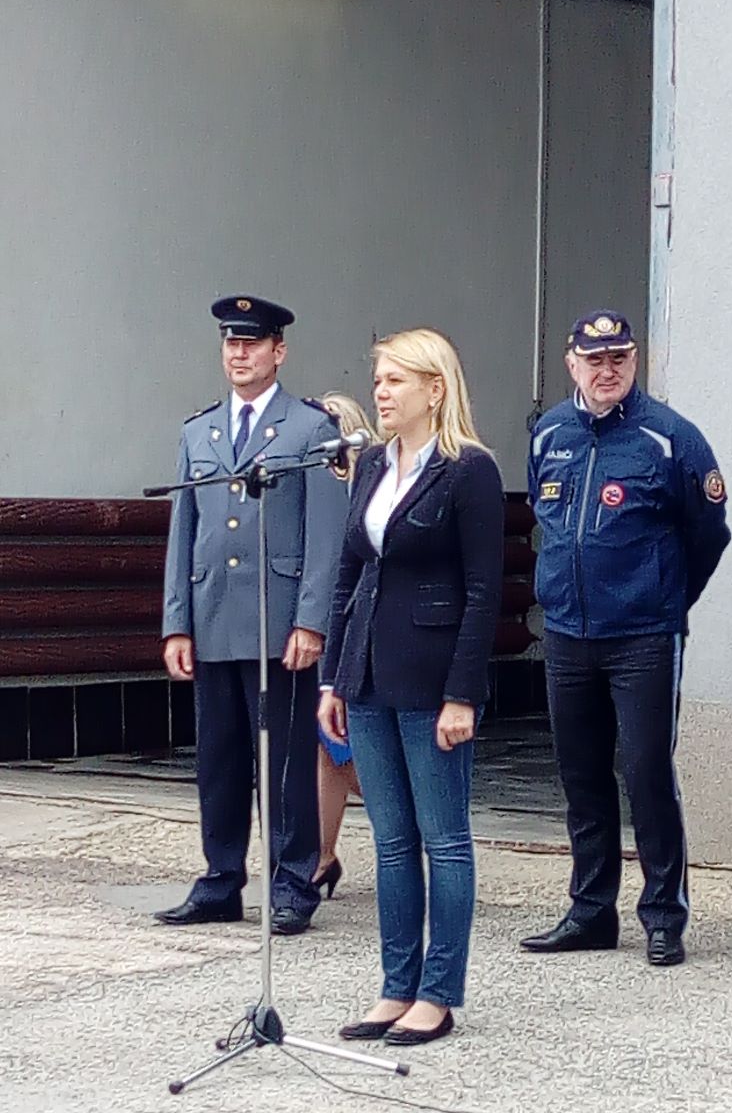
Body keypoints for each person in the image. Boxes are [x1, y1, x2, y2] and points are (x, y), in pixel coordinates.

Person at [520, 311, 731, 966]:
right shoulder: (550, 432)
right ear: (572, 363)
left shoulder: (670, 437)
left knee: (646, 775)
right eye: (595, 360)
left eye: (619, 359)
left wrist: (663, 597)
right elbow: (545, 520)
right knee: (581, 777)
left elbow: (709, 533)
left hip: (643, 636)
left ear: (635, 361)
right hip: (567, 634)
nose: (607, 371)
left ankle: (664, 916)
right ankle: (590, 912)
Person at [317, 328, 504, 1046]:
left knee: (443, 839)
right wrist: (334, 676)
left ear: (435, 388)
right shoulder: (372, 463)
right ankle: (396, 985)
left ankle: (438, 992)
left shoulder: (469, 470)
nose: (382, 393)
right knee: (392, 840)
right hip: (366, 673)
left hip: (432, 679)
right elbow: (349, 573)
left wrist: (463, 694)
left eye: (396, 380)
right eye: (379, 380)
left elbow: (483, 592)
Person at [154, 295, 347, 935]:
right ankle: (221, 878)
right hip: (213, 615)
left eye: (252, 343)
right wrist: (176, 623)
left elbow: (325, 535)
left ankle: (293, 882)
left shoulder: (309, 428)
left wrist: (311, 620)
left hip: (278, 619)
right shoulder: (199, 431)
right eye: (231, 343)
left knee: (285, 762)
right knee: (219, 759)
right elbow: (184, 532)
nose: (239, 354)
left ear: (277, 351)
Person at [312, 391, 377, 898]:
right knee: (327, 749)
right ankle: (321, 855)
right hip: (318, 630)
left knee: (352, 753)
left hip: (358, 631)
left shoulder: (368, 487)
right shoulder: (311, 486)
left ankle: (412, 829)